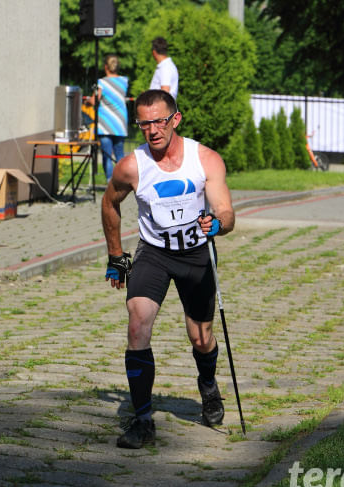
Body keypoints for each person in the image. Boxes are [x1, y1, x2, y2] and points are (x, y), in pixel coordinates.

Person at [101, 89, 235, 448]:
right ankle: (142, 419)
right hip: (154, 253)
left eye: (159, 121)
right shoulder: (132, 166)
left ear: (175, 119)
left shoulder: (205, 159)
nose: (152, 130)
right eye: (144, 124)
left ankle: (208, 385)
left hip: (196, 254)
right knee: (137, 323)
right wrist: (116, 255)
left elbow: (226, 211)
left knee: (201, 337)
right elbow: (109, 203)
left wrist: (217, 224)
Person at [89, 54, 129, 182]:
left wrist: (88, 101)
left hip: (105, 123)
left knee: (107, 155)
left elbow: (95, 100)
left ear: (105, 67)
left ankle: (110, 182)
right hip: (120, 123)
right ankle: (122, 181)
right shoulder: (124, 81)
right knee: (120, 155)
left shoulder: (102, 82)